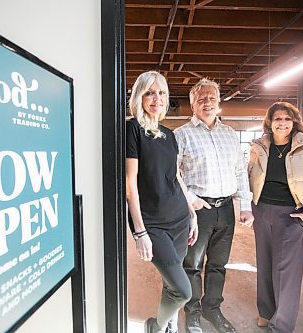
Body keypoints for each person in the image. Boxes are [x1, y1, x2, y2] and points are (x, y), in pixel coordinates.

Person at [174, 78, 254, 333]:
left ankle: (212, 309)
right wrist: (190, 199)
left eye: (211, 98)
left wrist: (245, 205)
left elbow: (240, 171)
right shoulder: (182, 135)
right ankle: (193, 312)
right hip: (198, 210)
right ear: (192, 104)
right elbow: (171, 173)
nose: (207, 102)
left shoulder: (230, 135)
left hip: (226, 210)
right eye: (201, 98)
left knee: (219, 264)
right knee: (193, 265)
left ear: (219, 102)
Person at [126, 71, 199, 333]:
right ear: (139, 96)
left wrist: (192, 213)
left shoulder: (170, 135)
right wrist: (140, 231)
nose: (156, 98)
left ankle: (168, 326)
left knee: (171, 283)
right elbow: (130, 183)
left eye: (161, 93)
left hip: (179, 218)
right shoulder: (132, 128)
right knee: (182, 290)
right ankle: (155, 325)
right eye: (149, 92)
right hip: (153, 223)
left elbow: (176, 176)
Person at [248, 101, 303, 333]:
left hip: (291, 214)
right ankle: (265, 312)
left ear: (294, 122)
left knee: (286, 271)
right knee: (264, 264)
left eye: (287, 118)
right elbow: (248, 178)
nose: (282, 123)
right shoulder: (259, 148)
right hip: (261, 210)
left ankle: (281, 325)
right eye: (277, 119)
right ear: (270, 123)